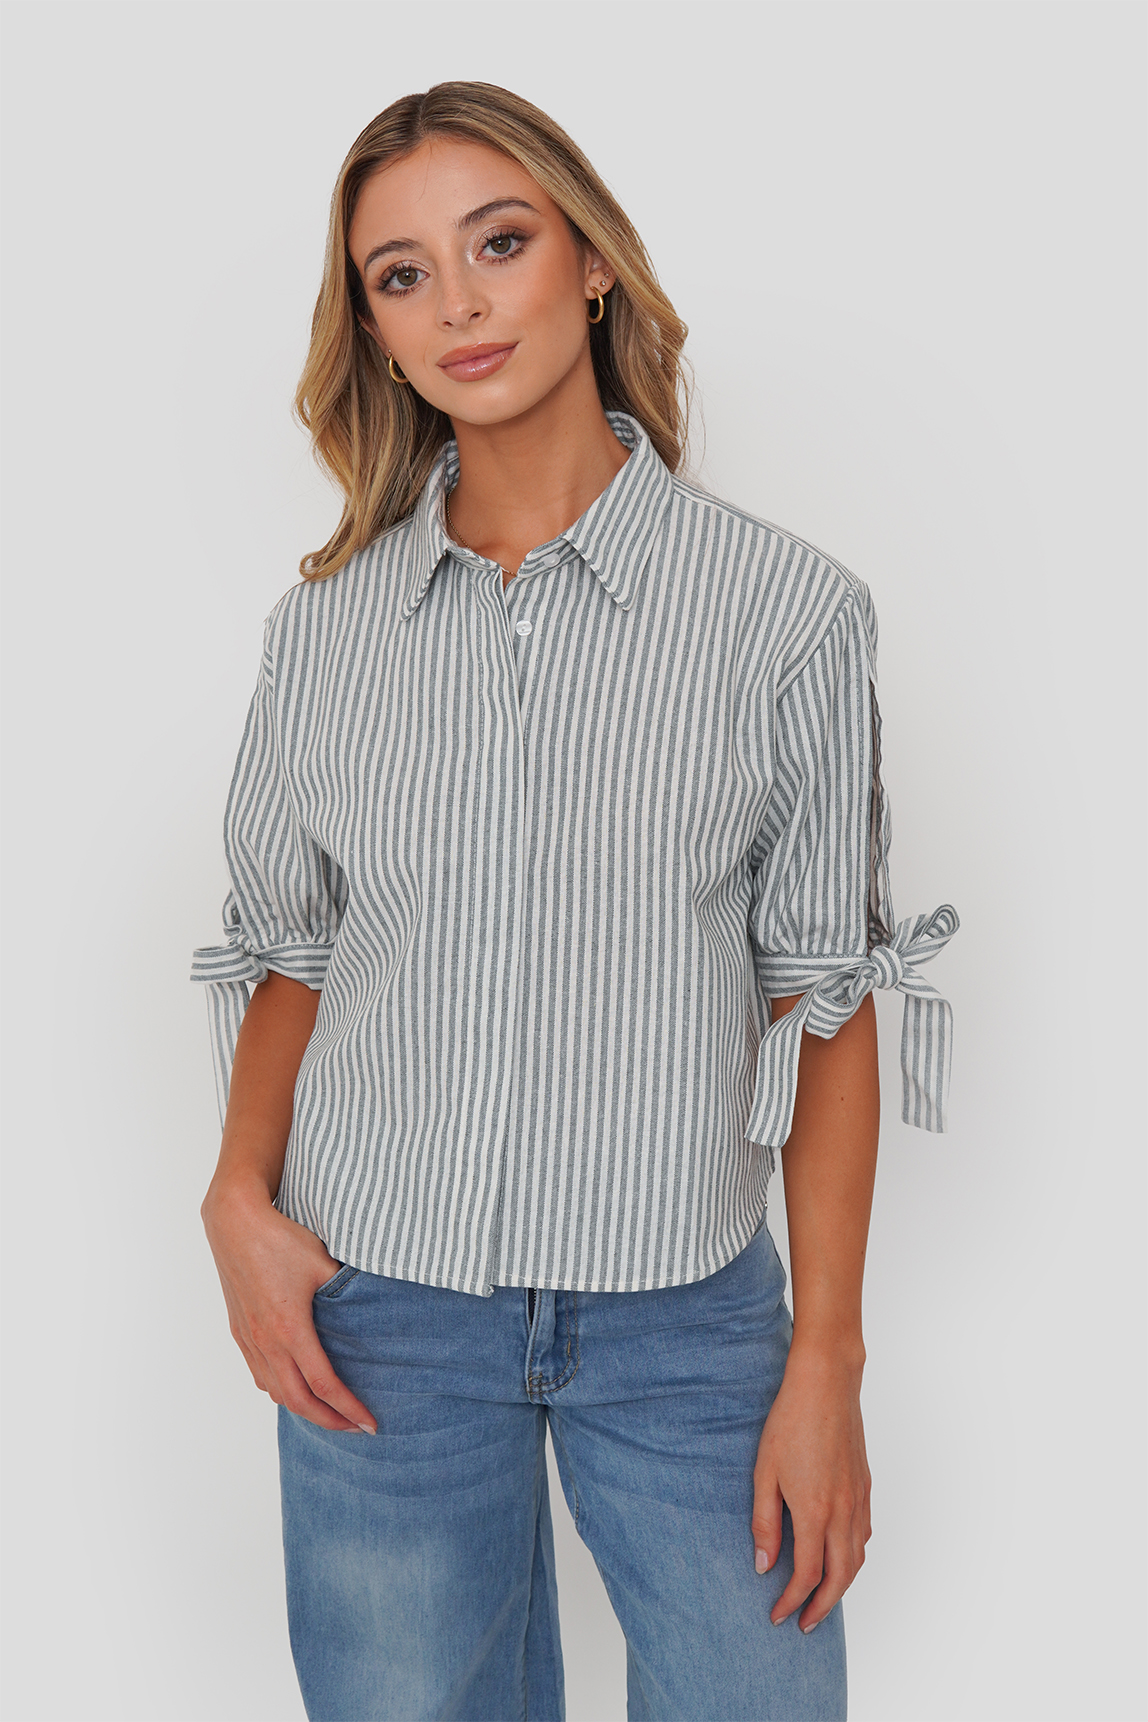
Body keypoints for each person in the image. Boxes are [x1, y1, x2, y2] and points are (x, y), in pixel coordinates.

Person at [192, 81, 958, 1722]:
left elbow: (819, 996)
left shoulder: (785, 614)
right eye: (402, 275)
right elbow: (295, 953)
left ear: (591, 263)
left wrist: (827, 1357)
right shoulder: (325, 633)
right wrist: (239, 1202)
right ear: (374, 329)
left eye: (500, 243)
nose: (459, 305)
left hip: (684, 1318)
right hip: (381, 1309)